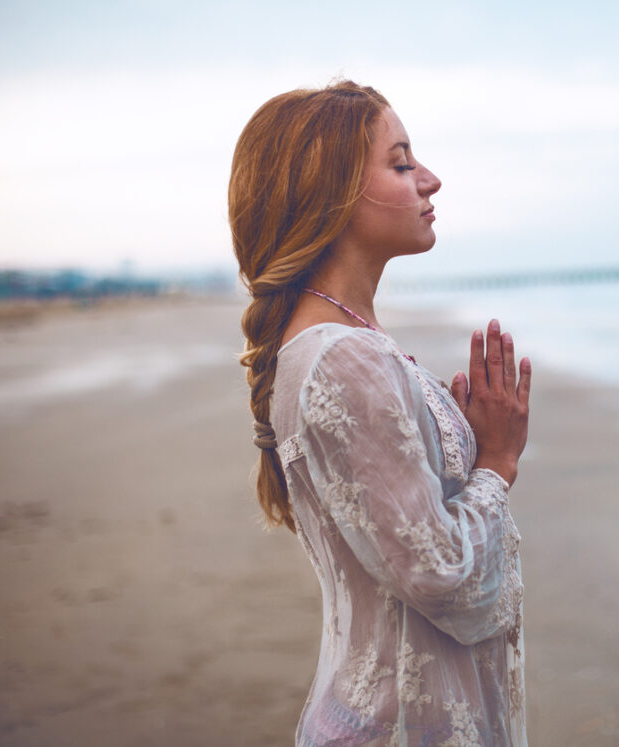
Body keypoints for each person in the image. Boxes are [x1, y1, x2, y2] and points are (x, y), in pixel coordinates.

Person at [229, 80, 532, 746]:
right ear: (329, 194)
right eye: (400, 163)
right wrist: (497, 461)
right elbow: (441, 571)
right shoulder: (346, 359)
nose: (431, 179)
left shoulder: (338, 346)